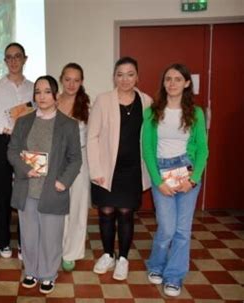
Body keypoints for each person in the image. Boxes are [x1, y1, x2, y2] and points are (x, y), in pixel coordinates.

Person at [8, 75, 81, 294]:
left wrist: (64, 182)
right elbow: (12, 151)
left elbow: (75, 158)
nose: (42, 96)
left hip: (53, 189)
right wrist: (24, 169)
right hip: (27, 187)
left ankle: (49, 273)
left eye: (47, 91)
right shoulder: (23, 121)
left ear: (56, 95)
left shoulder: (68, 125)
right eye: (38, 92)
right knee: (29, 235)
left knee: (51, 235)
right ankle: (31, 270)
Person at [142, 63, 208, 297]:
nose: (171, 83)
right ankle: (156, 265)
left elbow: (203, 150)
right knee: (167, 227)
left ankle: (174, 275)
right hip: (162, 172)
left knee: (182, 229)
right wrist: (158, 181)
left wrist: (193, 179)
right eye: (168, 79)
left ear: (187, 83)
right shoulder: (152, 111)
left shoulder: (196, 113)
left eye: (177, 79)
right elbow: (147, 149)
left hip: (187, 172)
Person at [87, 57, 152, 281]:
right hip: (105, 167)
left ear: (137, 76)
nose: (125, 79)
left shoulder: (147, 101)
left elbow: (150, 138)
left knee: (125, 213)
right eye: (120, 74)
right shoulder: (103, 100)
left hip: (132, 169)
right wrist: (95, 170)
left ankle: (123, 258)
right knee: (105, 212)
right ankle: (107, 254)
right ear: (114, 77)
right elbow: (92, 136)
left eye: (130, 74)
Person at [0, 42, 34, 258]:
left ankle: (24, 242)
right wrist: (6, 129)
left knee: (26, 195)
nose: (13, 61)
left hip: (28, 144)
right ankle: (3, 242)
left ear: (25, 59)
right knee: (2, 195)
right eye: (9, 57)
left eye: (17, 56)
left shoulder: (33, 86)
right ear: (5, 61)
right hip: (2, 142)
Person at [57, 63, 91, 271]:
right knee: (57, 207)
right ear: (61, 79)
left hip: (80, 159)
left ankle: (72, 252)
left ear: (81, 82)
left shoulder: (88, 106)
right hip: (56, 161)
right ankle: (57, 248)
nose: (71, 84)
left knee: (77, 206)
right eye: (68, 79)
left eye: (76, 80)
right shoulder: (51, 100)